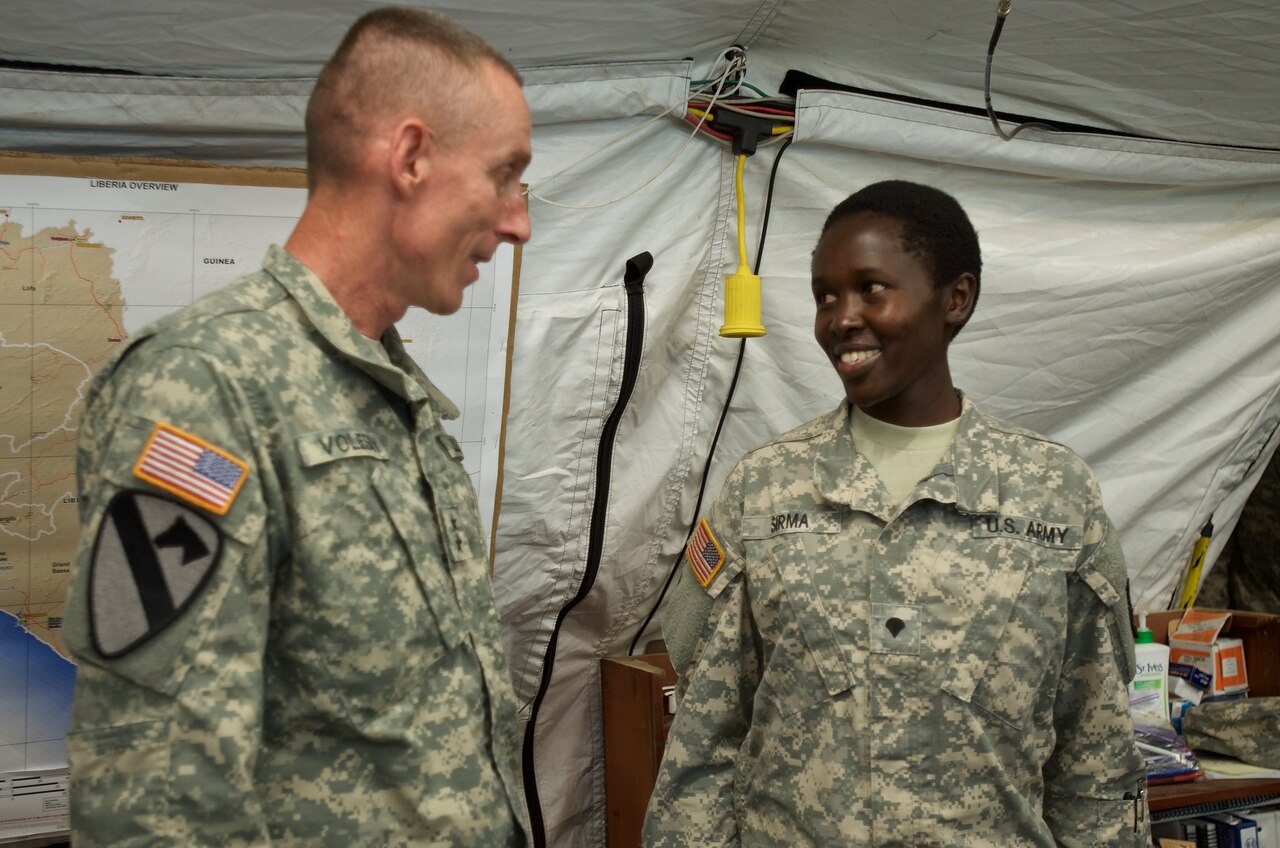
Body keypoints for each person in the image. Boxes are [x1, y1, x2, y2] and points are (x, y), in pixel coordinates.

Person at [63, 7, 532, 846]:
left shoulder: (392, 392)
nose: (517, 220)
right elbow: (155, 794)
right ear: (412, 157)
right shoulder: (206, 387)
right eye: (504, 175)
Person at [644, 180, 1150, 847]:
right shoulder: (764, 492)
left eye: (871, 289)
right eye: (826, 296)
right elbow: (702, 752)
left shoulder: (1053, 496)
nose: (841, 318)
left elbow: (1095, 758)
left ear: (956, 300)